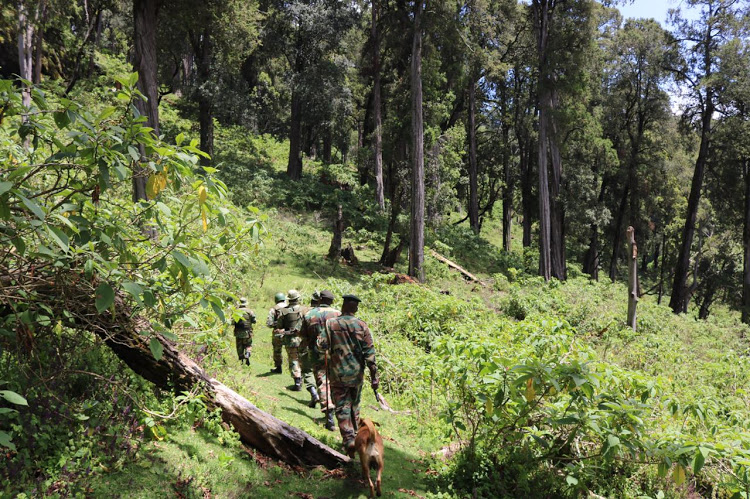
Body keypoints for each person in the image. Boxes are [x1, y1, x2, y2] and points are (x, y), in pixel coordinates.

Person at [319, 294, 378, 455]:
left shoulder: (331, 323)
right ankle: (356, 439)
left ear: (343, 306)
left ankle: (349, 440)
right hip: (356, 375)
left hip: (338, 374)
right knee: (354, 407)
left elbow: (321, 344)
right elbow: (370, 355)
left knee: (341, 408)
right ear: (356, 308)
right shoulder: (362, 326)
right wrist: (375, 378)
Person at [302, 289, 340, 431]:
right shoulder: (339, 314)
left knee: (322, 380)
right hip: (336, 353)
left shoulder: (309, 314)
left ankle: (329, 413)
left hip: (317, 353)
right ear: (332, 301)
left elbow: (303, 335)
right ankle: (336, 410)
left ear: (319, 300)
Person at [275, 289, 305, 391]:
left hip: (290, 339)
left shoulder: (284, 311)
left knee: (293, 360)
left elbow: (279, 325)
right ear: (297, 298)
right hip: (302, 339)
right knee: (302, 359)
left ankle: (297, 382)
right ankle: (303, 379)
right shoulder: (303, 310)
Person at [266, 292, 287, 374]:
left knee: (277, 351)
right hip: (289, 332)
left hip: (277, 333)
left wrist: (276, 324)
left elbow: (269, 323)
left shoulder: (273, 309)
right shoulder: (289, 308)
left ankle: (278, 368)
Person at [234, 297, 256, 366]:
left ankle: (241, 360)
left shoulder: (236, 311)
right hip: (248, 332)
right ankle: (247, 353)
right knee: (248, 344)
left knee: (239, 346)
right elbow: (254, 321)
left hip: (238, 332)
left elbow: (232, 321)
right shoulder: (250, 311)